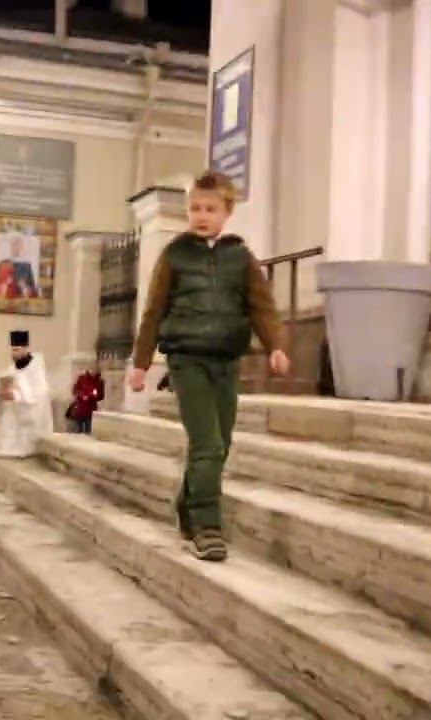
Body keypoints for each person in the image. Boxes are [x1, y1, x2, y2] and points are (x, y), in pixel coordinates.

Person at [129, 171, 290, 562]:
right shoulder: (176, 255)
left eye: (210, 209)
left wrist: (276, 346)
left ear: (227, 212)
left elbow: (262, 307)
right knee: (208, 444)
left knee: (221, 443)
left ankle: (188, 506)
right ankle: (206, 527)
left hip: (226, 360)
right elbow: (154, 311)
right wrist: (141, 363)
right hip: (186, 359)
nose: (201, 216)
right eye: (195, 209)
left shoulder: (240, 258)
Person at [0, 330, 54, 457]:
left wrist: (16, 396)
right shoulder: (11, 369)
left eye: (16, 350)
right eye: (12, 350)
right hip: (12, 419)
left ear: (25, 349)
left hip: (29, 421)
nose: (13, 354)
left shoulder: (36, 368)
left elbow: (40, 393)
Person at [67, 365, 105, 434]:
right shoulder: (82, 378)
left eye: (95, 370)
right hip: (81, 407)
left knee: (88, 429)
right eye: (92, 370)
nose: (93, 371)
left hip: (91, 408)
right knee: (79, 429)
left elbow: (101, 396)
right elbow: (75, 390)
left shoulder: (100, 381)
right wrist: (82, 395)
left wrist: (93, 396)